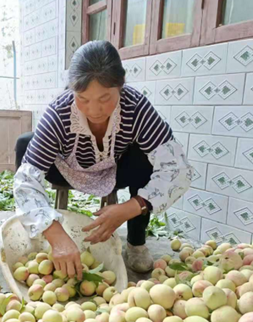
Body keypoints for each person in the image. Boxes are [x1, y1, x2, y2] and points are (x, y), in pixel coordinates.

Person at [13, 40, 192, 278]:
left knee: (146, 155)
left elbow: (177, 169)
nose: (94, 110)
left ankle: (136, 242)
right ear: (72, 90)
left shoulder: (135, 106)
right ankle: (38, 234)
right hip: (66, 166)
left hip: (114, 168)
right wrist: (56, 234)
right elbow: (25, 181)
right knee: (25, 143)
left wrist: (131, 207)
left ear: (121, 87)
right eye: (83, 99)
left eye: (105, 97)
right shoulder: (59, 111)